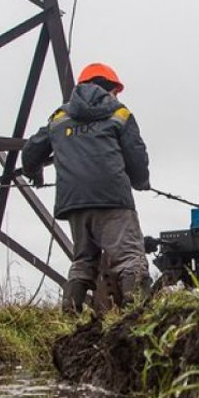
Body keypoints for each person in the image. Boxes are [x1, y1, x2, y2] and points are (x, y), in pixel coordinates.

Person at [21, 62, 151, 312]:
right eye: (115, 91)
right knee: (130, 258)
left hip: (74, 202)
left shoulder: (60, 117)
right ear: (110, 88)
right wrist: (141, 182)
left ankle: (69, 314)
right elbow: (136, 154)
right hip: (112, 199)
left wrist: (34, 173)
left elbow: (31, 151)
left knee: (82, 260)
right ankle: (137, 316)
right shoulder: (120, 113)